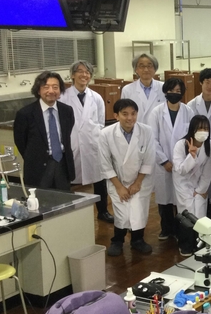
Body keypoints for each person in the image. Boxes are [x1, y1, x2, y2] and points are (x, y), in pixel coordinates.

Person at [99, 99, 155, 256]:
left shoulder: (146, 131)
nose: (130, 118)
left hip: (140, 180)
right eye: (125, 114)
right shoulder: (106, 134)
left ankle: (138, 240)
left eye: (133, 113)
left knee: (138, 211)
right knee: (122, 214)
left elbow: (149, 159)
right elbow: (105, 163)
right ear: (116, 116)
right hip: (118, 180)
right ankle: (117, 241)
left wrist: (137, 183)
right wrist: (119, 187)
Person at [60, 61, 113, 223]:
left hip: (92, 144)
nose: (84, 75)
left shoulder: (96, 97)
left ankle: (103, 211)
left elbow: (100, 122)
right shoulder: (63, 96)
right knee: (69, 178)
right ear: (72, 75)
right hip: (72, 143)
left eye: (87, 72)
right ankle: (67, 212)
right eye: (80, 71)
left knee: (99, 179)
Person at [149, 78, 194, 242]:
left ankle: (180, 229)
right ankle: (166, 229)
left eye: (178, 91)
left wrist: (184, 160)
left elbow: (191, 137)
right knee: (165, 198)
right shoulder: (156, 112)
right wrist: (164, 161)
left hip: (183, 163)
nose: (174, 94)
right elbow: (152, 140)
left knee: (181, 199)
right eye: (171, 90)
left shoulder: (189, 112)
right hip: (164, 163)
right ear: (165, 92)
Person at [14, 71, 75, 191]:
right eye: (46, 87)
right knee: (40, 199)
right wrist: (36, 157)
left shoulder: (67, 111)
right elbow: (21, 142)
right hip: (38, 168)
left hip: (62, 165)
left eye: (55, 87)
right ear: (38, 90)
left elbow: (67, 135)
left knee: (65, 199)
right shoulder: (25, 114)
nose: (51, 91)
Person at [172, 115, 211, 256]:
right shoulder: (180, 145)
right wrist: (191, 156)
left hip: (200, 185)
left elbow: (208, 171)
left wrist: (201, 189)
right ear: (192, 129)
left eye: (206, 128)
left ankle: (199, 244)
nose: (203, 131)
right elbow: (181, 169)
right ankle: (185, 245)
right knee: (186, 214)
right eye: (200, 128)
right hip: (183, 184)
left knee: (200, 214)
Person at [120, 53, 165, 125]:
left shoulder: (164, 88)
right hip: (136, 129)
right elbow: (124, 114)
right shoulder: (127, 90)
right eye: (142, 66)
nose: (146, 69)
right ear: (136, 69)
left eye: (149, 66)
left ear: (155, 69)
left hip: (159, 129)